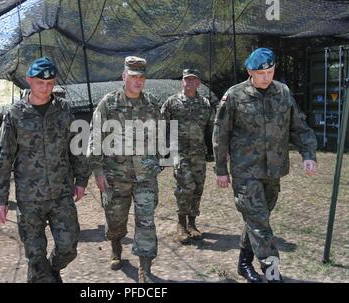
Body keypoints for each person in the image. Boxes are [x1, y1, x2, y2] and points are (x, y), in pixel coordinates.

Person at [212, 48, 317, 283]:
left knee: (258, 220)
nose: (266, 77)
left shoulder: (283, 92)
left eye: (270, 71)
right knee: (259, 222)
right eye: (261, 73)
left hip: (273, 171)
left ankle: (243, 263)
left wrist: (308, 154)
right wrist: (221, 169)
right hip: (245, 172)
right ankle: (272, 274)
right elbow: (220, 135)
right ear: (249, 71)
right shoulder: (234, 96)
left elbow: (299, 126)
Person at [0, 57, 91, 283]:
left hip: (61, 193)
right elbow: (4, 156)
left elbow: (75, 147)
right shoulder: (15, 114)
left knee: (69, 247)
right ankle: (42, 274)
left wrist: (82, 179)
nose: (45, 88)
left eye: (50, 83)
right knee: (35, 255)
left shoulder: (64, 109)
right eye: (40, 83)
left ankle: (51, 269)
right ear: (29, 81)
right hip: (29, 198)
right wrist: (0, 198)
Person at [87, 56, 162, 283]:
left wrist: (156, 161)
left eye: (141, 77)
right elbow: (94, 137)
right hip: (115, 176)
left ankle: (145, 268)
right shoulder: (108, 104)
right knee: (115, 217)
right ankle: (116, 247)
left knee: (146, 220)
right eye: (133, 76)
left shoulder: (152, 104)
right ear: (124, 77)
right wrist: (98, 171)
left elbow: (160, 135)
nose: (138, 81)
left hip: (145, 177)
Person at [161, 69, 215, 244]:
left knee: (198, 187)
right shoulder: (172, 102)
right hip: (180, 152)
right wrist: (165, 150)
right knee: (187, 186)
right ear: (182, 81)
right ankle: (181, 224)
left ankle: (192, 224)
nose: (190, 82)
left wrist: (214, 150)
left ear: (198, 82)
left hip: (199, 152)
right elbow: (162, 126)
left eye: (193, 79)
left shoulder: (205, 103)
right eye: (186, 79)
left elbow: (211, 128)